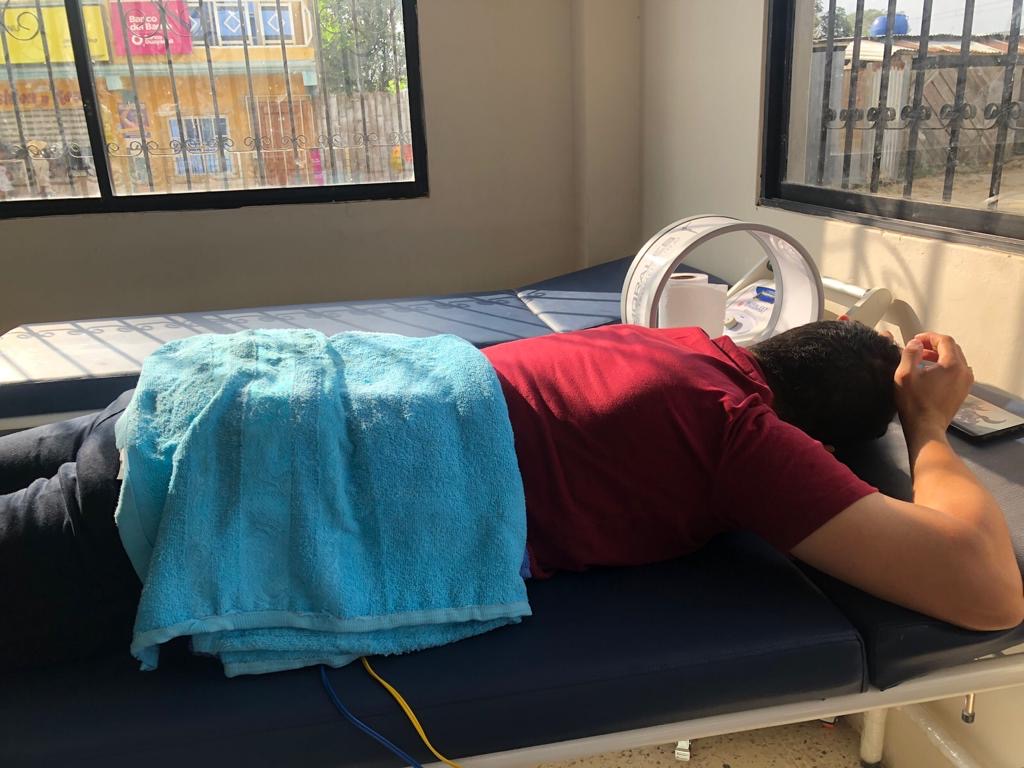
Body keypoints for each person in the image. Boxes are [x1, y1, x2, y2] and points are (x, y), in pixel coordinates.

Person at [1, 321, 1021, 670]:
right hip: (194, 498)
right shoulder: (741, 435)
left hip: (171, 407)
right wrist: (925, 426)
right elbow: (986, 589)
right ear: (819, 443)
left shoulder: (670, 343)